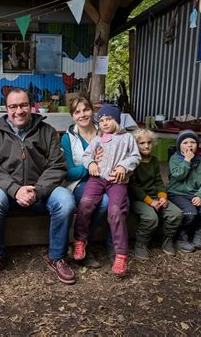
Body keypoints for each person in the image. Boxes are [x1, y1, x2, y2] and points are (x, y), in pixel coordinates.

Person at [0, 88, 76, 285]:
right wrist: (15, 190)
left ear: (31, 106)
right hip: (7, 192)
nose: (19, 111)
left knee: (66, 201)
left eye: (23, 105)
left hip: (41, 192)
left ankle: (57, 256)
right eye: (13, 106)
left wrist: (38, 190)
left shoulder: (46, 131)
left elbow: (57, 165)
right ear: (6, 109)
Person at [73, 104, 141, 276]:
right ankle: (80, 240)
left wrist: (123, 167)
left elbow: (135, 156)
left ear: (117, 120)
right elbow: (87, 155)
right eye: (101, 120)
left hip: (116, 181)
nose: (104, 123)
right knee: (86, 203)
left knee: (116, 211)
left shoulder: (127, 138)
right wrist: (92, 164)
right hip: (97, 180)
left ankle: (120, 254)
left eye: (108, 119)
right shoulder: (98, 138)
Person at [60, 97, 110, 267]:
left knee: (117, 200)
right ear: (72, 116)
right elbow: (68, 173)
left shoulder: (104, 131)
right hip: (79, 183)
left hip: (105, 179)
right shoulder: (68, 138)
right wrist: (90, 166)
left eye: (85, 110)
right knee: (102, 202)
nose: (82, 115)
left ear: (92, 110)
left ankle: (96, 244)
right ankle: (81, 241)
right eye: (77, 112)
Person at [129, 129, 183, 259]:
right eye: (141, 143)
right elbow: (133, 187)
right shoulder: (132, 162)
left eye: (149, 142)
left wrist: (162, 197)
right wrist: (150, 201)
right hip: (139, 199)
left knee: (176, 213)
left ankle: (167, 239)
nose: (146, 146)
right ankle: (141, 244)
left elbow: (159, 181)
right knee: (150, 218)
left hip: (155, 197)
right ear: (135, 145)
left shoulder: (154, 160)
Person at [168, 130, 201, 252]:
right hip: (177, 193)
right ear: (179, 146)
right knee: (190, 213)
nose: (189, 145)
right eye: (185, 142)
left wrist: (200, 195)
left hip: (194, 194)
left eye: (193, 142)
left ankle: (199, 234)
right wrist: (187, 160)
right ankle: (182, 237)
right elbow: (178, 175)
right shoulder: (174, 159)